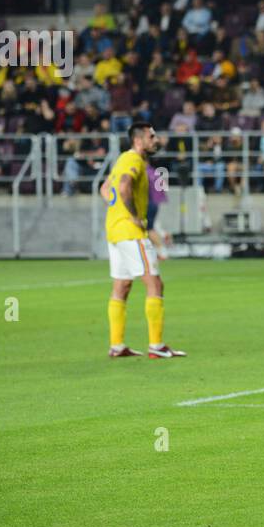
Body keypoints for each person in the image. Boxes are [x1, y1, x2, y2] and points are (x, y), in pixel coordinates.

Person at [101, 123, 185, 359]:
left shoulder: (122, 159)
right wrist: (133, 215)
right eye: (152, 136)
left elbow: (105, 188)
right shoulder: (135, 160)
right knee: (155, 284)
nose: (156, 140)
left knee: (122, 285)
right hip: (130, 232)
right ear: (138, 141)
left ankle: (117, 346)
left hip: (114, 231)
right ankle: (156, 346)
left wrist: (116, 210)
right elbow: (124, 186)